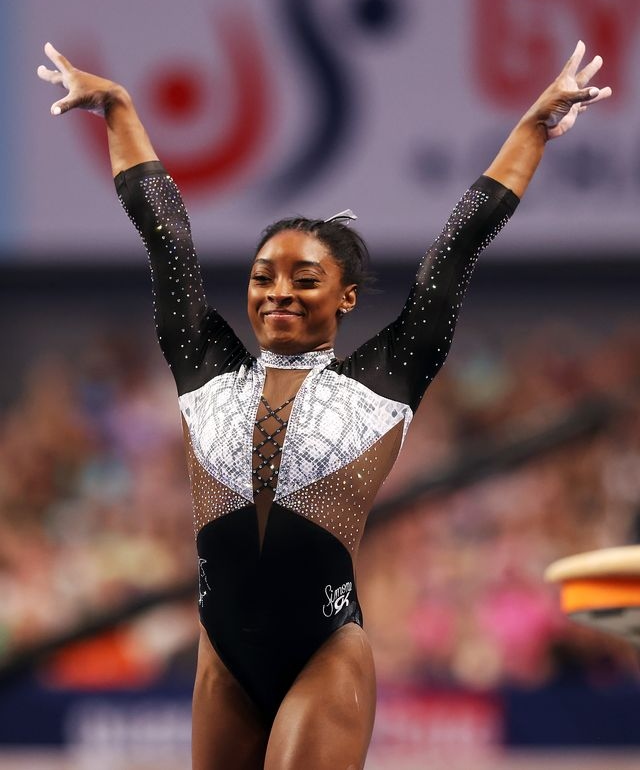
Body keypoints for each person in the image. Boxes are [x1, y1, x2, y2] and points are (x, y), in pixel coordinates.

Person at [37, 40, 611, 770]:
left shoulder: (380, 384)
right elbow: (165, 235)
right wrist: (119, 107)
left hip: (324, 656)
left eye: (305, 279)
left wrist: (531, 130)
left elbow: (456, 251)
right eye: (262, 276)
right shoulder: (206, 372)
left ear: (345, 297)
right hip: (222, 663)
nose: (278, 291)